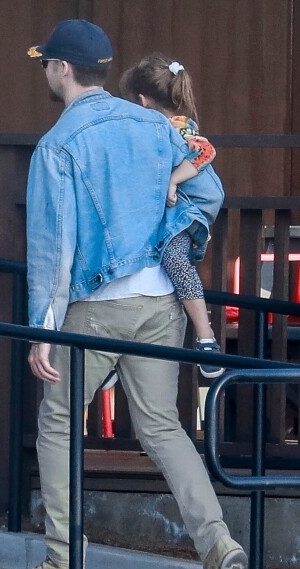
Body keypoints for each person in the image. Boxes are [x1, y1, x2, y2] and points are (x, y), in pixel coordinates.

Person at [2, 19, 247, 569]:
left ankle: (64, 561)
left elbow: (52, 243)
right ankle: (219, 547)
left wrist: (43, 325)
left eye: (46, 62)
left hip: (96, 307)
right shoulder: (156, 126)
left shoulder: (59, 144)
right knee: (163, 427)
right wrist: (170, 233)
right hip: (162, 301)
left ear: (62, 68)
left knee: (59, 424)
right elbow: (208, 190)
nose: (45, 70)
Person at [119, 53, 225, 379]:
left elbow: (206, 151)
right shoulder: (167, 126)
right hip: (186, 204)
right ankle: (114, 354)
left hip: (193, 205)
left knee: (175, 258)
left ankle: (206, 338)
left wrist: (172, 180)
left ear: (142, 102)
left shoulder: (171, 128)